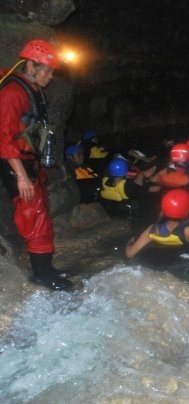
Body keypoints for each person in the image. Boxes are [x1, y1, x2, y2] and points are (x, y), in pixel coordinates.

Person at [0, 39, 72, 290]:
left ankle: (45, 268)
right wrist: (20, 176)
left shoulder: (31, 88)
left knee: (40, 214)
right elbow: (4, 137)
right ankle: (41, 274)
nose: (51, 77)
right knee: (34, 217)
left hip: (28, 163)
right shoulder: (12, 93)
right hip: (15, 165)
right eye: (47, 70)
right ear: (30, 65)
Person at [124, 188, 189, 258]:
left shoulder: (151, 231)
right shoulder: (188, 231)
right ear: (186, 212)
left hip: (173, 248)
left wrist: (129, 243)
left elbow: (129, 254)